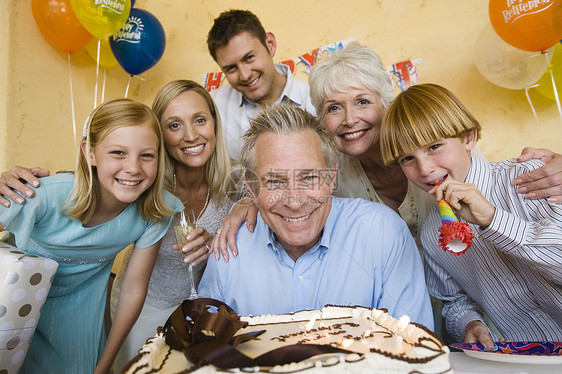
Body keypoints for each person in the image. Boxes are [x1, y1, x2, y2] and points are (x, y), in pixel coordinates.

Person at [211, 42, 562, 260]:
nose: (349, 120)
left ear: (386, 102)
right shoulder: (329, 169)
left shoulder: (441, 154)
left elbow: (499, 200)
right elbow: (284, 184)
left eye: (362, 101)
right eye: (333, 108)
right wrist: (249, 201)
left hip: (482, 290)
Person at [198, 104, 434, 329]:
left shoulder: (384, 233)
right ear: (252, 187)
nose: (295, 201)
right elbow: (206, 349)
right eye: (274, 181)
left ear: (331, 177)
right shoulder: (228, 250)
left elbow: (412, 350)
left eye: (309, 177)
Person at [0, 99, 183, 373]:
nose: (133, 167)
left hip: (79, 316)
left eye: (147, 155)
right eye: (118, 152)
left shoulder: (155, 211)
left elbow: (133, 289)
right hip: (13, 304)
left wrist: (105, 363)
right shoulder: (44, 195)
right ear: (91, 153)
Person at [379, 83, 562, 348]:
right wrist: (469, 322)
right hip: (526, 362)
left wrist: (493, 219)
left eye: (434, 146)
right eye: (407, 158)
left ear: (468, 137)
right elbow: (455, 301)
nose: (425, 168)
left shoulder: (532, 179)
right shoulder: (433, 234)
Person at [110, 80, 245, 372]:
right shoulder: (144, 181)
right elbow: (91, 187)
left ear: (214, 123)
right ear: (159, 135)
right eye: (174, 125)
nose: (190, 135)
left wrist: (225, 231)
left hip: (202, 314)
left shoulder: (236, 180)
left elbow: (276, 202)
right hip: (143, 309)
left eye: (199, 120)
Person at [207, 9, 315, 161]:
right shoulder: (212, 108)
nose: (245, 75)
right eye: (231, 68)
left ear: (270, 44)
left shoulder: (316, 101)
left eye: (249, 58)